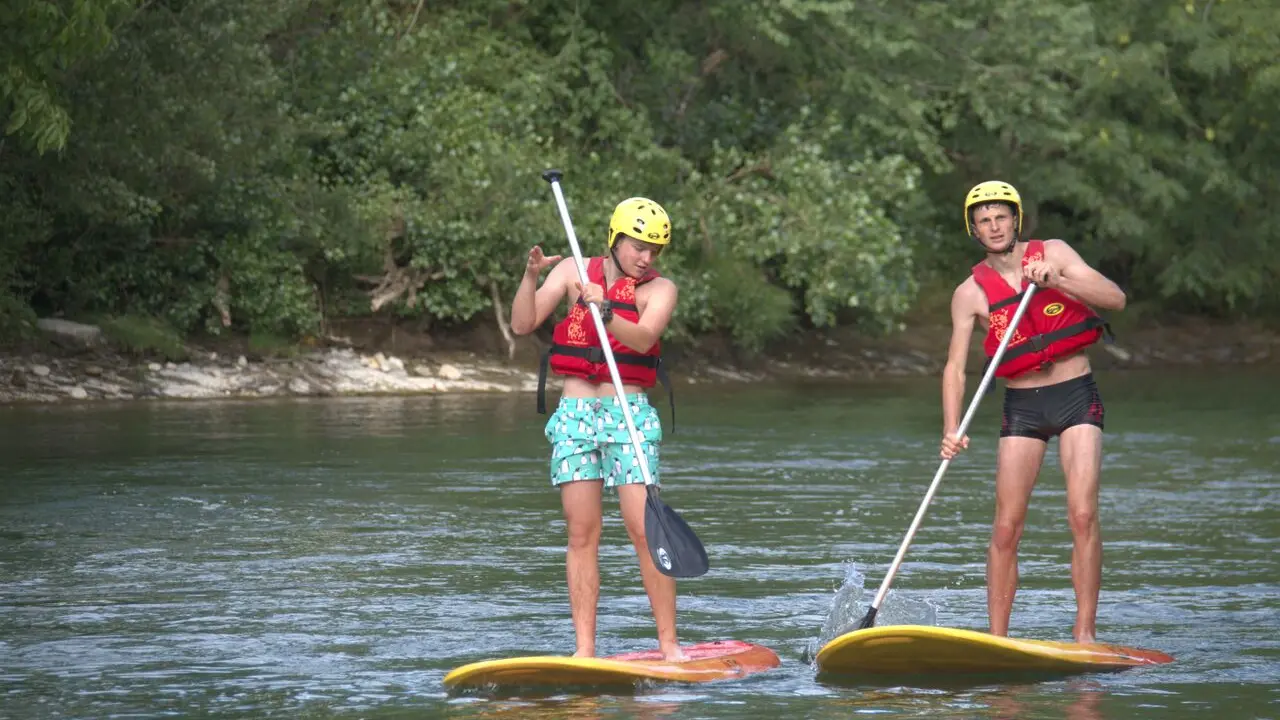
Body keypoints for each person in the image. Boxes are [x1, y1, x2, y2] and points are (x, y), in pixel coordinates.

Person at [939, 180, 1127, 644]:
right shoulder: (969, 293)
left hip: (1075, 394)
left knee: (1082, 514)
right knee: (1006, 526)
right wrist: (951, 427)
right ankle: (998, 640)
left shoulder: (1055, 253)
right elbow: (956, 367)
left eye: (1001, 216)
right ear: (974, 231)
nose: (994, 226)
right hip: (1022, 403)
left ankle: (1084, 633)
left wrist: (1057, 279)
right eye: (984, 221)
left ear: (1015, 219)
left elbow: (1114, 298)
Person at [509, 196, 685, 661]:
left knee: (644, 530)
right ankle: (584, 650)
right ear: (615, 237)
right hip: (574, 418)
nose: (646, 258)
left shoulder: (661, 290)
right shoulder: (571, 271)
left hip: (628, 414)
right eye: (638, 246)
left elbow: (644, 337)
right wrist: (530, 277)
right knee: (581, 532)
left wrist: (605, 309)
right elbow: (523, 322)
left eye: (654, 250)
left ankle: (670, 646)